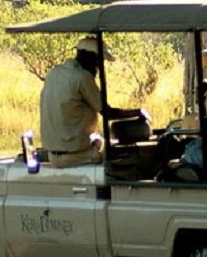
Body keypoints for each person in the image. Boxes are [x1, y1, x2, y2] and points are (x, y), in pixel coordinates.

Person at [40, 36, 145, 168]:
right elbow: (108, 113)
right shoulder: (82, 78)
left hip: (54, 154)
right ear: (93, 59)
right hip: (77, 156)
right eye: (99, 62)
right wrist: (138, 112)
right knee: (130, 157)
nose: (99, 67)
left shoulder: (54, 73)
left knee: (101, 141)